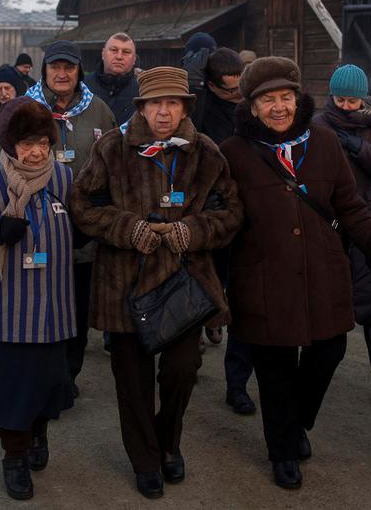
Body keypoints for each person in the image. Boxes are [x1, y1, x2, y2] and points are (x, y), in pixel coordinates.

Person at [218, 57, 371, 490]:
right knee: (275, 369)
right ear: (251, 107)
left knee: (329, 351)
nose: (279, 107)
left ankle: (296, 422)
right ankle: (282, 450)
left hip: (323, 272)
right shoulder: (233, 153)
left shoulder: (324, 142)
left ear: (298, 100)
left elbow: (349, 205)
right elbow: (221, 216)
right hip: (264, 276)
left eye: (286, 97)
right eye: (267, 99)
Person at [70, 66, 242, 499]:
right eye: (154, 103)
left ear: (184, 106)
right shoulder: (112, 148)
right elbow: (82, 203)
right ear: (142, 108)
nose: (163, 112)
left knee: (183, 370)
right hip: (125, 284)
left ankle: (168, 442)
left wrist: (193, 231)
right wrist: (127, 229)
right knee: (132, 379)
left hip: (184, 282)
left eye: (172, 103)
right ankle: (145, 459)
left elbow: (230, 213)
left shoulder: (205, 153)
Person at [0, 97, 78, 501]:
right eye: (26, 143)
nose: (36, 151)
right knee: (12, 391)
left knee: (47, 385)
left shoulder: (63, 179)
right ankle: (14, 458)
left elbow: (84, 228)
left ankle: (38, 433)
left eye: (42, 141)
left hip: (53, 308)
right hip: (6, 312)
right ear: (10, 144)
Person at [24, 40, 116, 396]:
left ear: (79, 72)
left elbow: (115, 163)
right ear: (44, 70)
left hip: (83, 230)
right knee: (41, 304)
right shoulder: (27, 108)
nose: (62, 74)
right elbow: (2, 164)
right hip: (38, 227)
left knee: (76, 306)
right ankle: (41, 372)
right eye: (55, 67)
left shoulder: (98, 112)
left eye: (69, 67)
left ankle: (68, 375)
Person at [315, 65, 371, 402]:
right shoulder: (318, 125)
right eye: (340, 99)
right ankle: (317, 370)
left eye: (352, 100)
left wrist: (358, 147)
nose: (346, 106)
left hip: (366, 219)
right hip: (328, 221)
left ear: (364, 99)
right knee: (325, 298)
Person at [189, 47, 255, 410]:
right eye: (229, 90)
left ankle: (236, 384)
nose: (236, 96)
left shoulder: (250, 108)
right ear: (211, 85)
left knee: (242, 302)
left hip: (247, 218)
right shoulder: (198, 110)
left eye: (239, 88)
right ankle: (192, 351)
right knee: (204, 289)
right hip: (209, 219)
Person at [84, 33, 141, 126]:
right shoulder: (83, 87)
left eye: (126, 52)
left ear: (134, 59)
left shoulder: (142, 92)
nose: (119, 57)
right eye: (114, 50)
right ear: (103, 53)